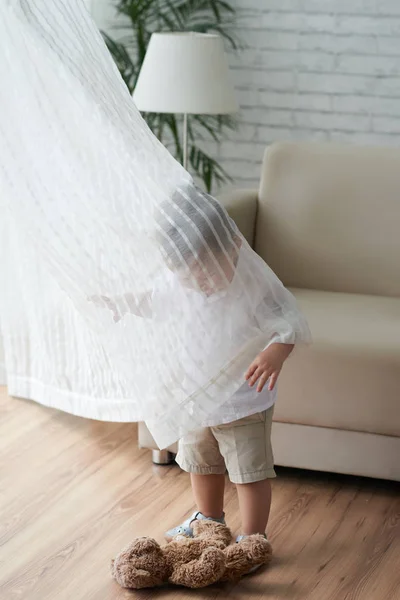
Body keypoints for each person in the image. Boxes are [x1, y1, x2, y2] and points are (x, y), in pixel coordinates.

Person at [90, 182, 310, 571]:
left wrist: (275, 352)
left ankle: (253, 538)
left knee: (249, 472)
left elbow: (289, 321)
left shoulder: (252, 287)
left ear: (234, 247)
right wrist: (120, 303)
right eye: (189, 273)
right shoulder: (177, 283)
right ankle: (209, 520)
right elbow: (151, 299)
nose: (200, 280)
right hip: (196, 398)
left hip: (245, 400)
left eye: (208, 269)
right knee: (200, 464)